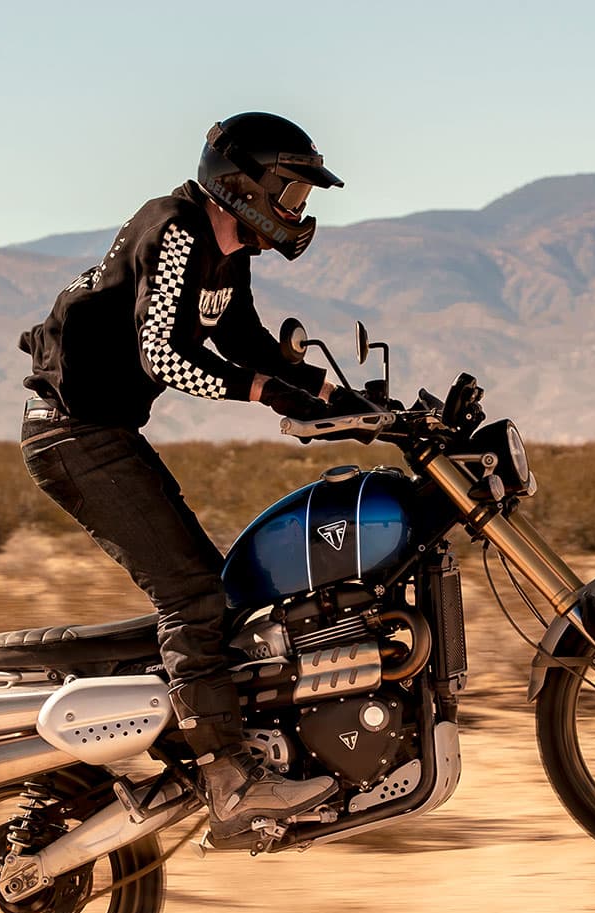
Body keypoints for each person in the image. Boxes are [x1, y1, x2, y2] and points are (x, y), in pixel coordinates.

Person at [17, 111, 348, 842]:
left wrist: (340, 399)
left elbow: (249, 342)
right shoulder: (175, 228)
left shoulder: (229, 254)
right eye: (289, 193)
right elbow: (162, 355)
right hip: (72, 436)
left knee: (218, 591)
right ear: (242, 184)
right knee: (191, 594)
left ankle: (205, 745)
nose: (297, 212)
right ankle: (228, 776)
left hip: (104, 433)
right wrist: (265, 394)